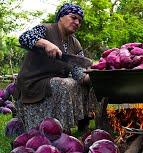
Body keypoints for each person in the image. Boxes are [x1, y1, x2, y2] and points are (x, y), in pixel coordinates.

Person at [14, 3, 95, 133]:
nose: (77, 22)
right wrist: (45, 43)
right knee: (65, 84)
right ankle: (59, 131)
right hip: (34, 82)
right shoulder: (45, 29)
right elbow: (24, 38)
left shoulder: (75, 43)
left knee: (86, 84)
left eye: (80, 20)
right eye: (73, 17)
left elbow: (78, 72)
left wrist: (91, 77)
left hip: (53, 81)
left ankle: (83, 124)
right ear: (61, 17)